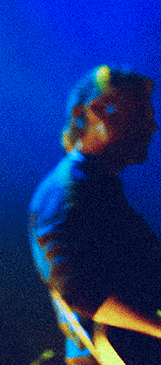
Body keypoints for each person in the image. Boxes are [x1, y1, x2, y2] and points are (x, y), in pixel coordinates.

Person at [30, 65, 161, 364]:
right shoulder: (67, 191)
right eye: (139, 114)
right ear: (91, 113)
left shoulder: (95, 186)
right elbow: (80, 290)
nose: (152, 127)